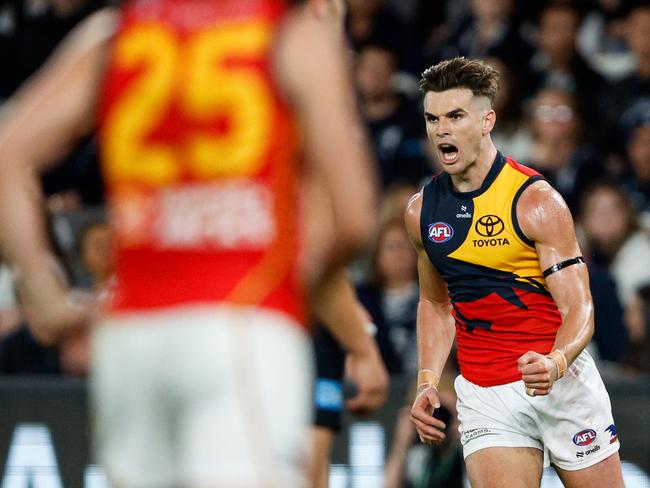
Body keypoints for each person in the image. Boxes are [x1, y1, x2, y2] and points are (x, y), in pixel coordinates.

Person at [0, 0, 379, 486]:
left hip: (129, 334)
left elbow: (8, 151)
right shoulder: (288, 32)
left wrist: (43, 290)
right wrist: (297, 276)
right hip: (242, 319)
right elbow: (354, 215)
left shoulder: (114, 32)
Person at [406, 57, 624, 487]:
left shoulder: (536, 201)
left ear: (487, 120)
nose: (441, 130)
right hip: (485, 394)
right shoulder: (421, 212)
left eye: (455, 116)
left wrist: (556, 362)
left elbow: (579, 306)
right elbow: (435, 302)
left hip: (560, 385)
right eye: (433, 118)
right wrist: (427, 380)